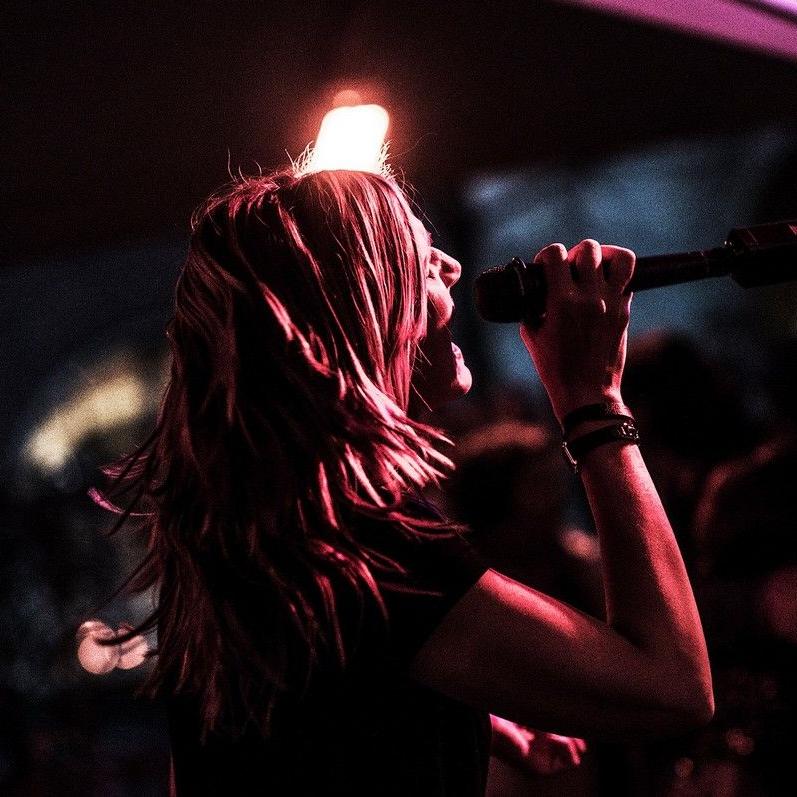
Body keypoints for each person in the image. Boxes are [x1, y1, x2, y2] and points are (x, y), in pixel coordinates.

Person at [96, 166, 713, 795]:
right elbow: (671, 688)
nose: (451, 268)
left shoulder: (246, 543)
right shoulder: (363, 554)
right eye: (419, 262)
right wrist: (594, 401)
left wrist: (469, 712)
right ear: (359, 313)